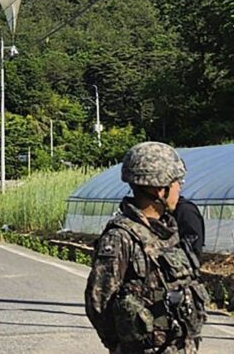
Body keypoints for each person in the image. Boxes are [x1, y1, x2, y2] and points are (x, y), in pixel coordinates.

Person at [85, 141, 208, 354]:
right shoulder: (121, 237)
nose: (179, 188)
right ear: (160, 189)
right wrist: (124, 345)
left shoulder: (168, 229)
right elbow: (98, 302)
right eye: (177, 182)